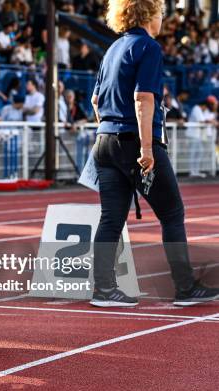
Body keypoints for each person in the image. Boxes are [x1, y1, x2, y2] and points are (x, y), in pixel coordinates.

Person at [90, 0, 219, 307]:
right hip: (135, 141)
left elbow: (96, 99)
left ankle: (104, 290)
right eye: (161, 12)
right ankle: (185, 288)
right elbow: (143, 97)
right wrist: (146, 148)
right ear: (149, 13)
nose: (163, 18)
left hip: (104, 141)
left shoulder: (112, 49)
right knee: (172, 213)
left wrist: (110, 131)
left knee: (111, 218)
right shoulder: (148, 47)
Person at [186, 96, 218, 178]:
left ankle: (195, 171)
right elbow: (202, 121)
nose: (205, 109)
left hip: (197, 135)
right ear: (203, 105)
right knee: (193, 154)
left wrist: (211, 121)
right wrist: (212, 121)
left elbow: (204, 120)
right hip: (192, 135)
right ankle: (192, 171)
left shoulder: (199, 109)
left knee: (199, 152)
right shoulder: (196, 108)